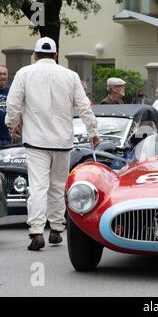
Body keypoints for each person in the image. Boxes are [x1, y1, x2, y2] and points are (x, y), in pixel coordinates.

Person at [5, 37, 101, 251]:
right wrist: (93, 131)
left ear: (35, 55)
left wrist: (12, 124)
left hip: (36, 141)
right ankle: (57, 228)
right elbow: (84, 107)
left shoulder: (24, 73)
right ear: (56, 55)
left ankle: (37, 231)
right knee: (58, 187)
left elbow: (13, 104)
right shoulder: (70, 76)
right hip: (62, 141)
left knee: (38, 187)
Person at [0, 65, 11, 146]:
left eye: (4, 74)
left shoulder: (12, 92)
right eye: (0, 74)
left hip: (8, 137)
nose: (2, 76)